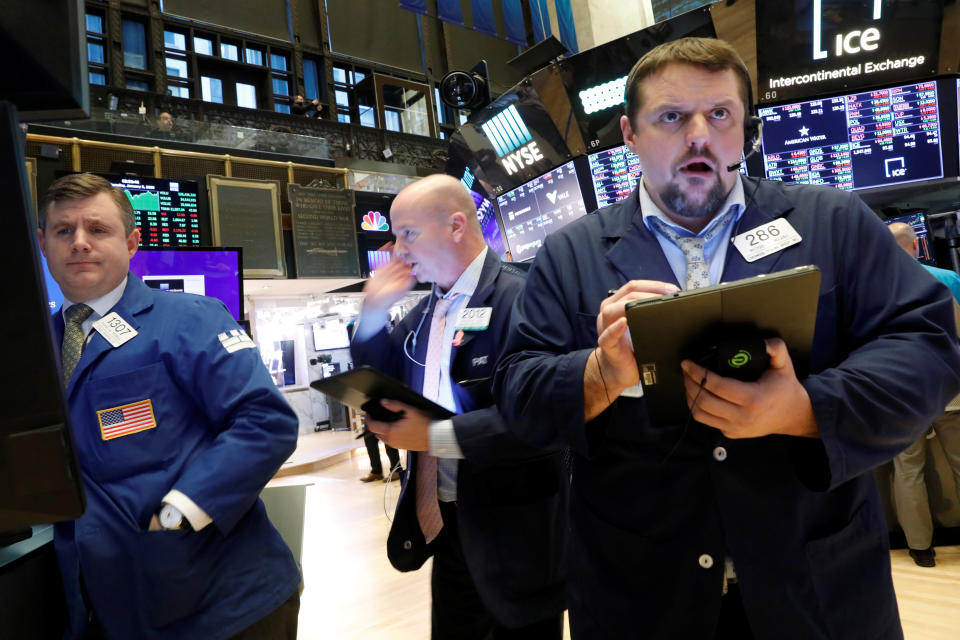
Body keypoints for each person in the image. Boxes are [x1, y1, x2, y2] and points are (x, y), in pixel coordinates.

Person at [493, 37, 960, 639]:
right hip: (642, 597)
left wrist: (808, 410)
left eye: (719, 115)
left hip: (817, 588)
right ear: (630, 137)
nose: (698, 135)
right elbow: (516, 388)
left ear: (745, 131)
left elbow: (925, 347)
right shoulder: (569, 253)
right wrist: (597, 375)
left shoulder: (833, 221)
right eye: (670, 117)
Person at [38, 173, 302, 640]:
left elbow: (266, 422)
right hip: (109, 605)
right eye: (64, 231)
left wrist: (181, 513)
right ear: (43, 243)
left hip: (223, 603)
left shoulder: (191, 318)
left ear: (132, 243)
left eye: (97, 230)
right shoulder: (35, 346)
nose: (79, 243)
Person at [350, 174, 566, 639]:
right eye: (394, 235)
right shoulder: (423, 313)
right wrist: (370, 316)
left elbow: (542, 418)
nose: (397, 250)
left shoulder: (523, 296)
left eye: (408, 233)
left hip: (517, 531)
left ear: (455, 226)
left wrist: (433, 437)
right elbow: (383, 379)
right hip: (444, 520)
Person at [888, 222, 960, 567]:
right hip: (950, 389)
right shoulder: (946, 279)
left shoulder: (872, 285)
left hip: (902, 395)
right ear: (916, 246)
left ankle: (920, 549)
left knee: (908, 469)